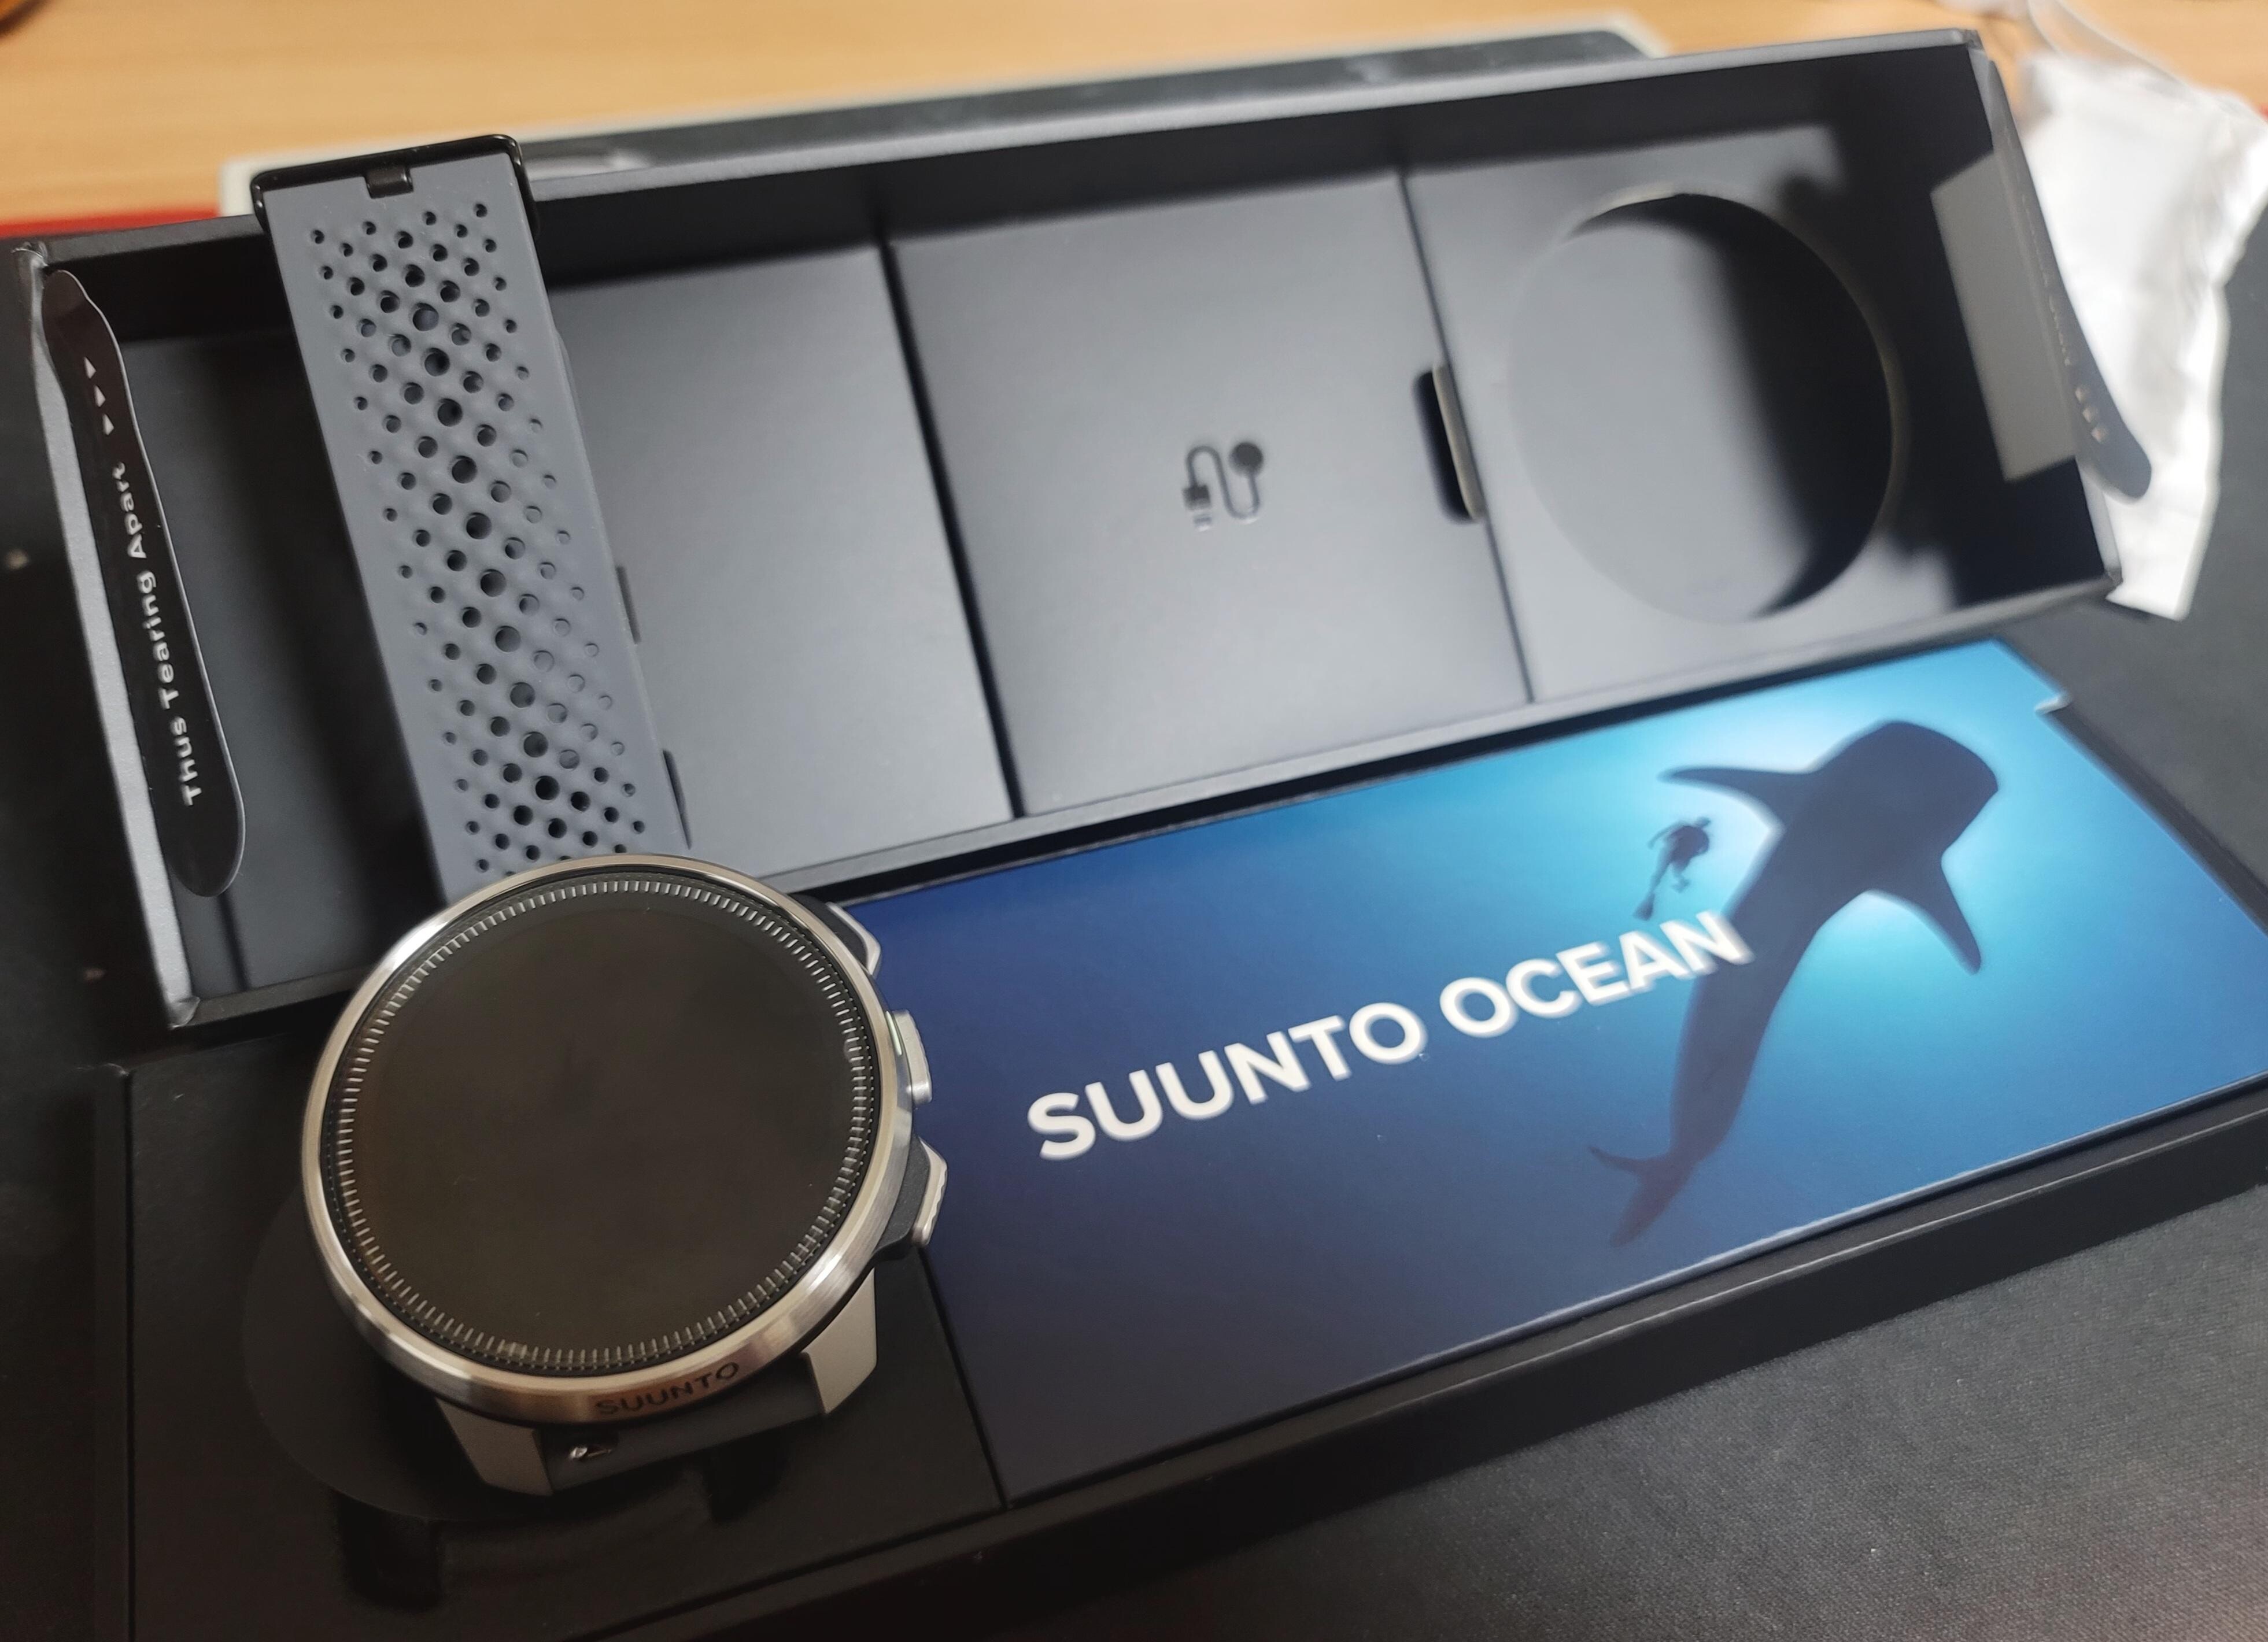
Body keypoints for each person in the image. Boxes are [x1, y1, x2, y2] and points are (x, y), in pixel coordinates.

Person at [1637, 818, 1711, 920]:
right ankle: (1654, 893)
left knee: (1668, 873)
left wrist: (1692, 854)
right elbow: (1668, 836)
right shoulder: (1692, 830)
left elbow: (1704, 850)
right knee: (1664, 874)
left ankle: (1679, 883)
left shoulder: (1699, 834)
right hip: (1676, 853)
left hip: (1679, 854)